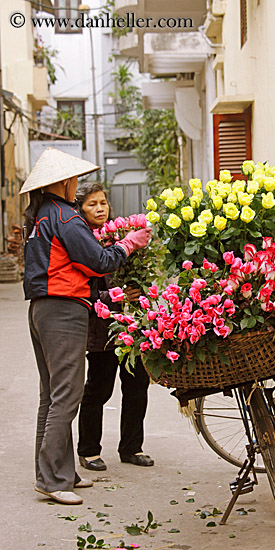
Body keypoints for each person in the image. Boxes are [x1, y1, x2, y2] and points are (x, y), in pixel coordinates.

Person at [21, 147, 152, 505]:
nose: (77, 186)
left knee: (52, 396)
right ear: (63, 183)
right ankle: (51, 480)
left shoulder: (38, 217)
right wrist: (129, 243)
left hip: (41, 309)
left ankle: (59, 473)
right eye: (75, 181)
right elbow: (98, 262)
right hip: (63, 310)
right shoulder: (65, 217)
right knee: (66, 395)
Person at [75, 182, 153, 472]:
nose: (99, 208)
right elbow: (82, 291)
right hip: (101, 330)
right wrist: (115, 296)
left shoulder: (120, 237)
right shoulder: (81, 240)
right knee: (99, 389)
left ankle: (132, 447)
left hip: (132, 325)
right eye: (92, 204)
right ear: (80, 210)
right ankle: (89, 450)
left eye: (103, 203)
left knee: (136, 385)